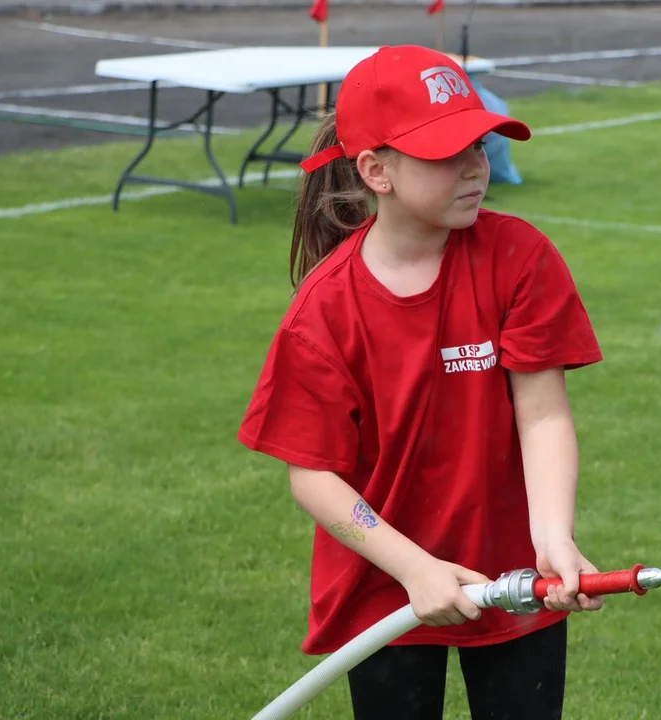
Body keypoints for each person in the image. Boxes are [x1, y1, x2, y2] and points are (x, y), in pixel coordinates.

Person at [236, 45, 606, 719]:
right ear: (377, 170)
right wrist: (413, 568)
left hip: (515, 572)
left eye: (480, 142)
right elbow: (312, 476)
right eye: (446, 152)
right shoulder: (324, 311)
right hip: (384, 582)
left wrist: (551, 537)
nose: (477, 165)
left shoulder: (521, 258)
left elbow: (543, 414)